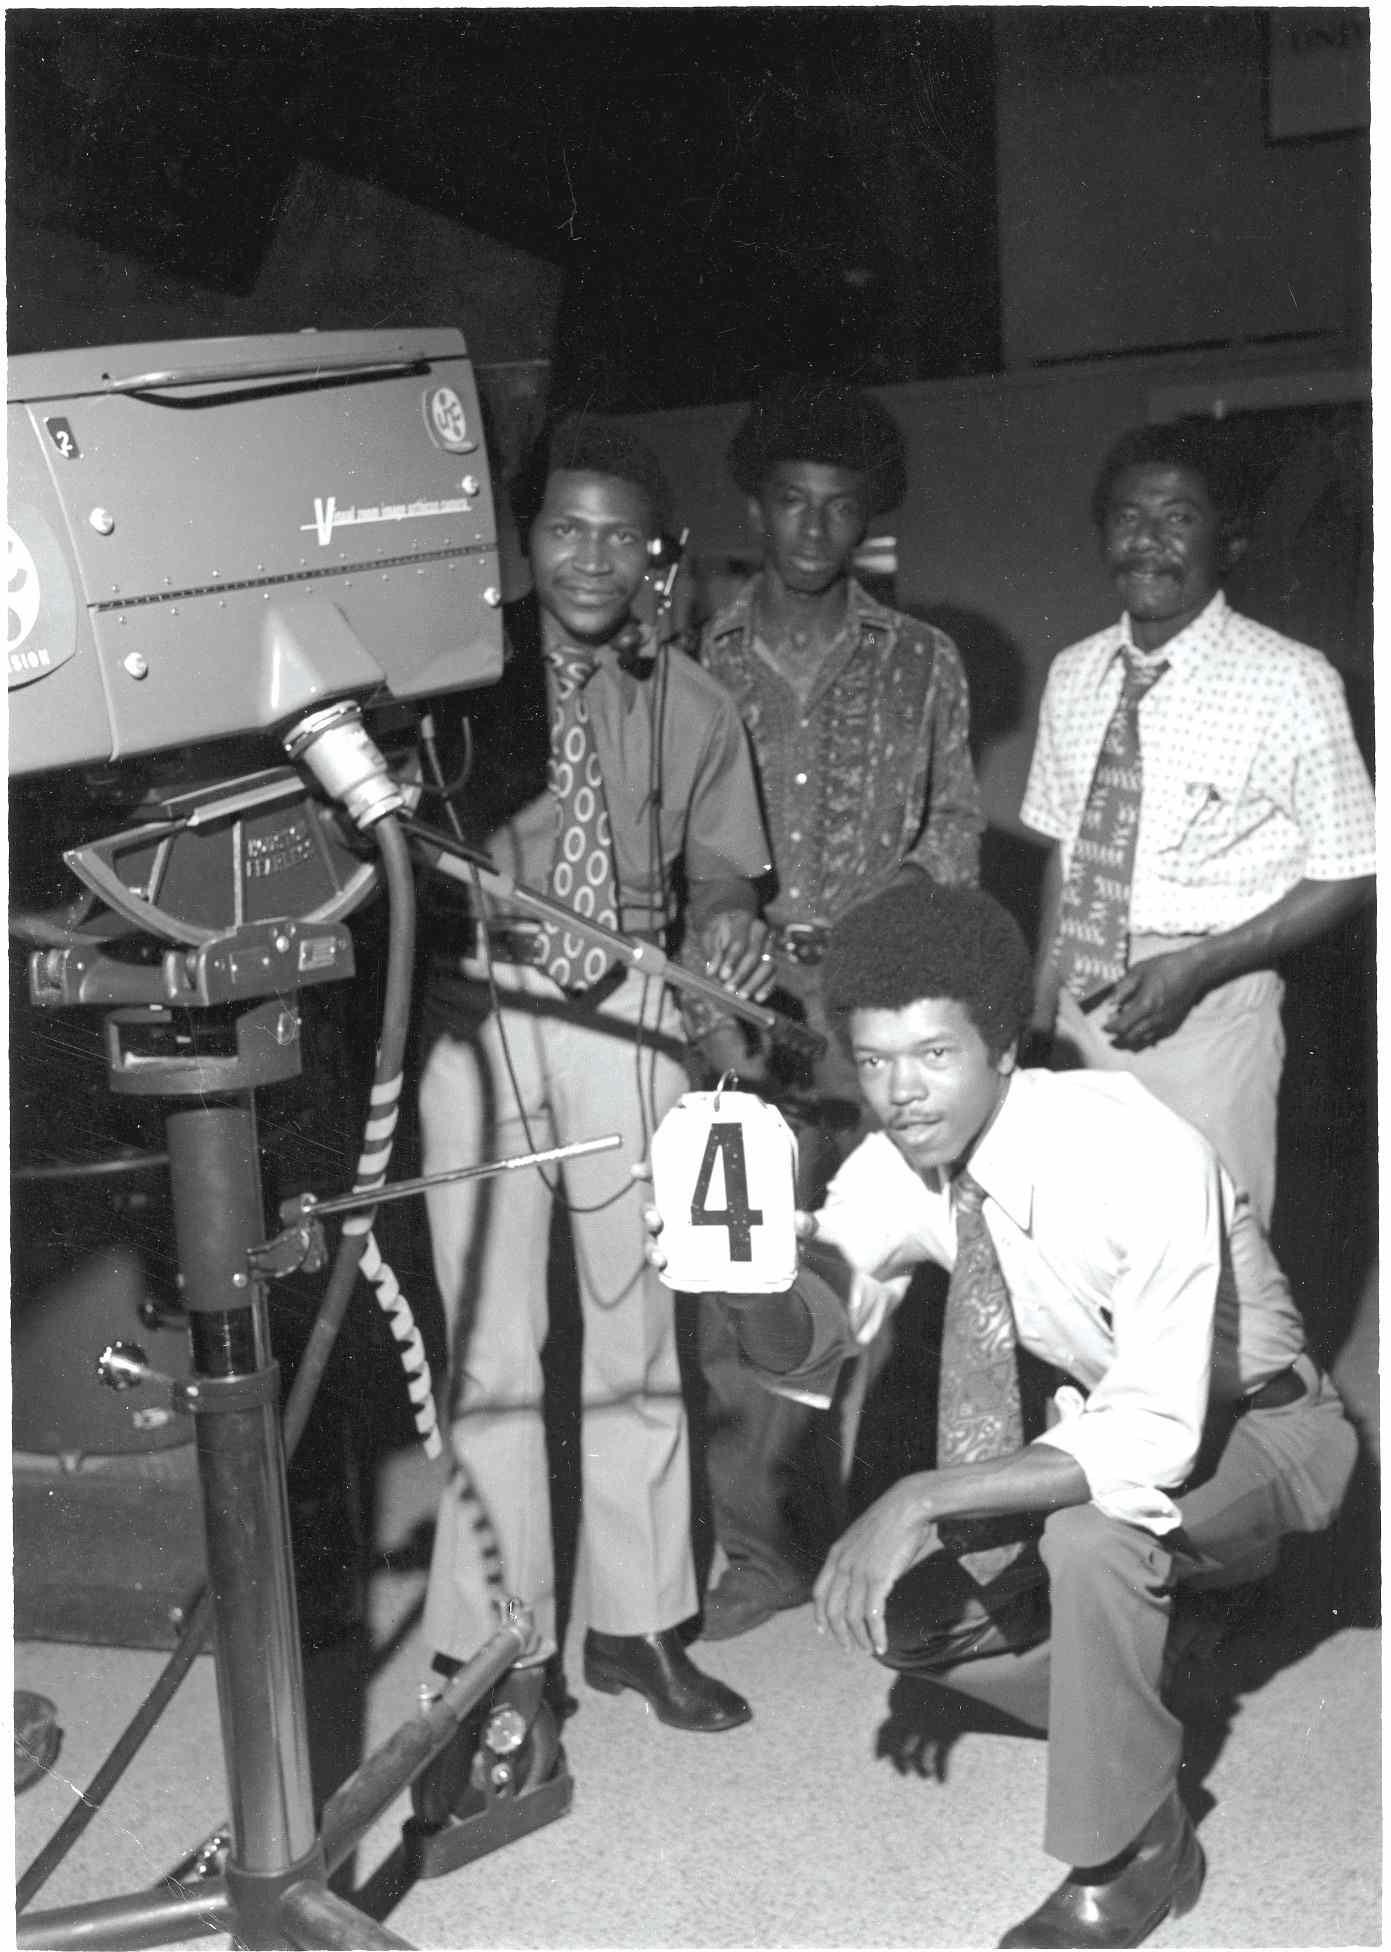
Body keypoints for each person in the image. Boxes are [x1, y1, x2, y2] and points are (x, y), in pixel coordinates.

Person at [644, 878, 1356, 1947]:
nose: (900, 1093)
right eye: (874, 1061)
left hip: (1268, 1425)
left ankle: (1125, 1856)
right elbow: (819, 1342)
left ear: (1002, 1050)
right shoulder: (895, 1167)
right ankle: (1141, 1728)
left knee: (1089, 1533)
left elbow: (1155, 1430)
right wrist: (737, 1281)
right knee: (896, 1617)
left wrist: (923, 1495)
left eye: (933, 1055)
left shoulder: (1134, 1148)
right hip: (1105, 1424)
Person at [413, 413, 774, 1819]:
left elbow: (726, 875)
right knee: (496, 1344)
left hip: (627, 1008)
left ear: (657, 556)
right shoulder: (459, 684)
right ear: (522, 540)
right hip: (479, 1010)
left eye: (620, 533)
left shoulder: (691, 699)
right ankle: (494, 1650)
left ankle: (636, 1626)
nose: (589, 556)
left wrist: (731, 932)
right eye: (564, 527)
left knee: (635, 1334)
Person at [694, 376, 985, 1640]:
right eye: (791, 503)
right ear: (756, 510)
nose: (813, 529)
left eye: (837, 508)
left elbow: (957, 832)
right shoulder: (689, 662)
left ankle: (871, 1531)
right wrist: (715, 924)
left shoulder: (922, 661)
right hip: (730, 1014)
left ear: (865, 519)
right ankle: (759, 1548)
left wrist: (884, 925)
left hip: (872, 1009)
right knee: (736, 1277)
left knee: (869, 1278)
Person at [1022, 415, 1375, 1229]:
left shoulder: (1287, 680)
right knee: (1087, 1250)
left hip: (1208, 1013)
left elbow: (1351, 869)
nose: (1147, 542)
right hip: (1080, 1004)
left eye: (1178, 518)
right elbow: (1065, 852)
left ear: (1230, 541)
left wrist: (1200, 966)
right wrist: (1040, 1010)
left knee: (1212, 1259)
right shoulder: (1073, 675)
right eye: (1127, 518)